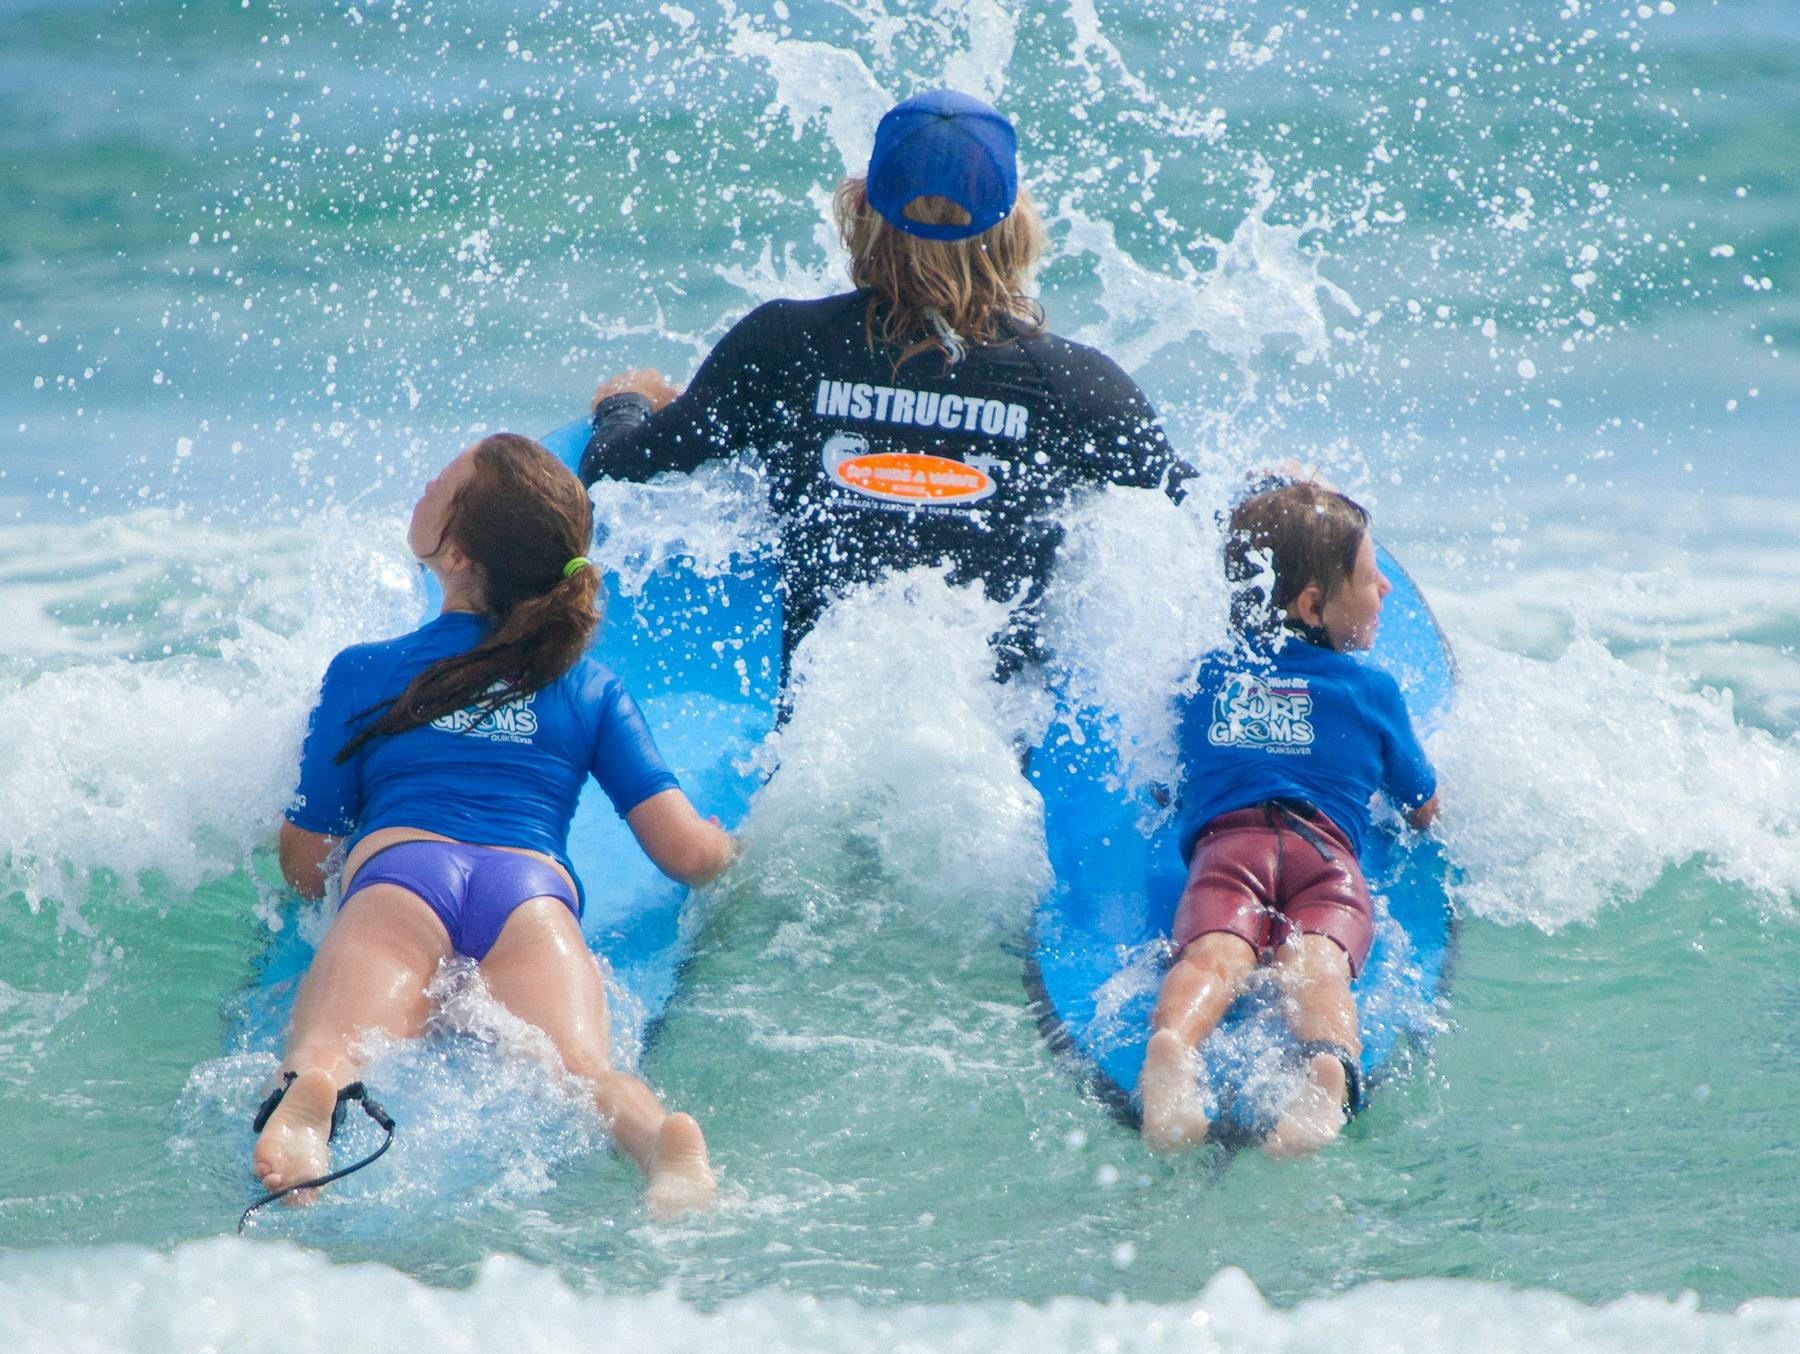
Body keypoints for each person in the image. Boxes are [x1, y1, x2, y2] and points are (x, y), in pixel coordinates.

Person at [260, 433, 735, 1219]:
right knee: (584, 1069)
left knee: (331, 1048)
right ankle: (661, 1147)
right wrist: (734, 848)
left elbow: (305, 865)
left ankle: (310, 1114)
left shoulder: (365, 669)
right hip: (529, 897)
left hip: (402, 879)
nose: (423, 486)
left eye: (439, 486)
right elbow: (686, 852)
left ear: (455, 558)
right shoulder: (588, 685)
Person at [581, 88, 1187, 685]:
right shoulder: (1074, 383)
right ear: (1017, 227)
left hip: (821, 743)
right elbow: (1196, 525)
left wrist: (624, 402)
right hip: (994, 762)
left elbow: (616, 470)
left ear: (861, 209)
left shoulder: (782, 344)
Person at [1138, 482, 1440, 1156]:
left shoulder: (1205, 677)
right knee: (1315, 967)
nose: (1386, 589)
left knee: (1213, 959)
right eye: (1368, 578)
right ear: (1312, 605)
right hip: (1323, 855)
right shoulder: (1371, 691)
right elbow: (1422, 808)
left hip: (1229, 848)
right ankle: (1326, 1071)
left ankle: (1174, 1047)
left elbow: (1167, 787)